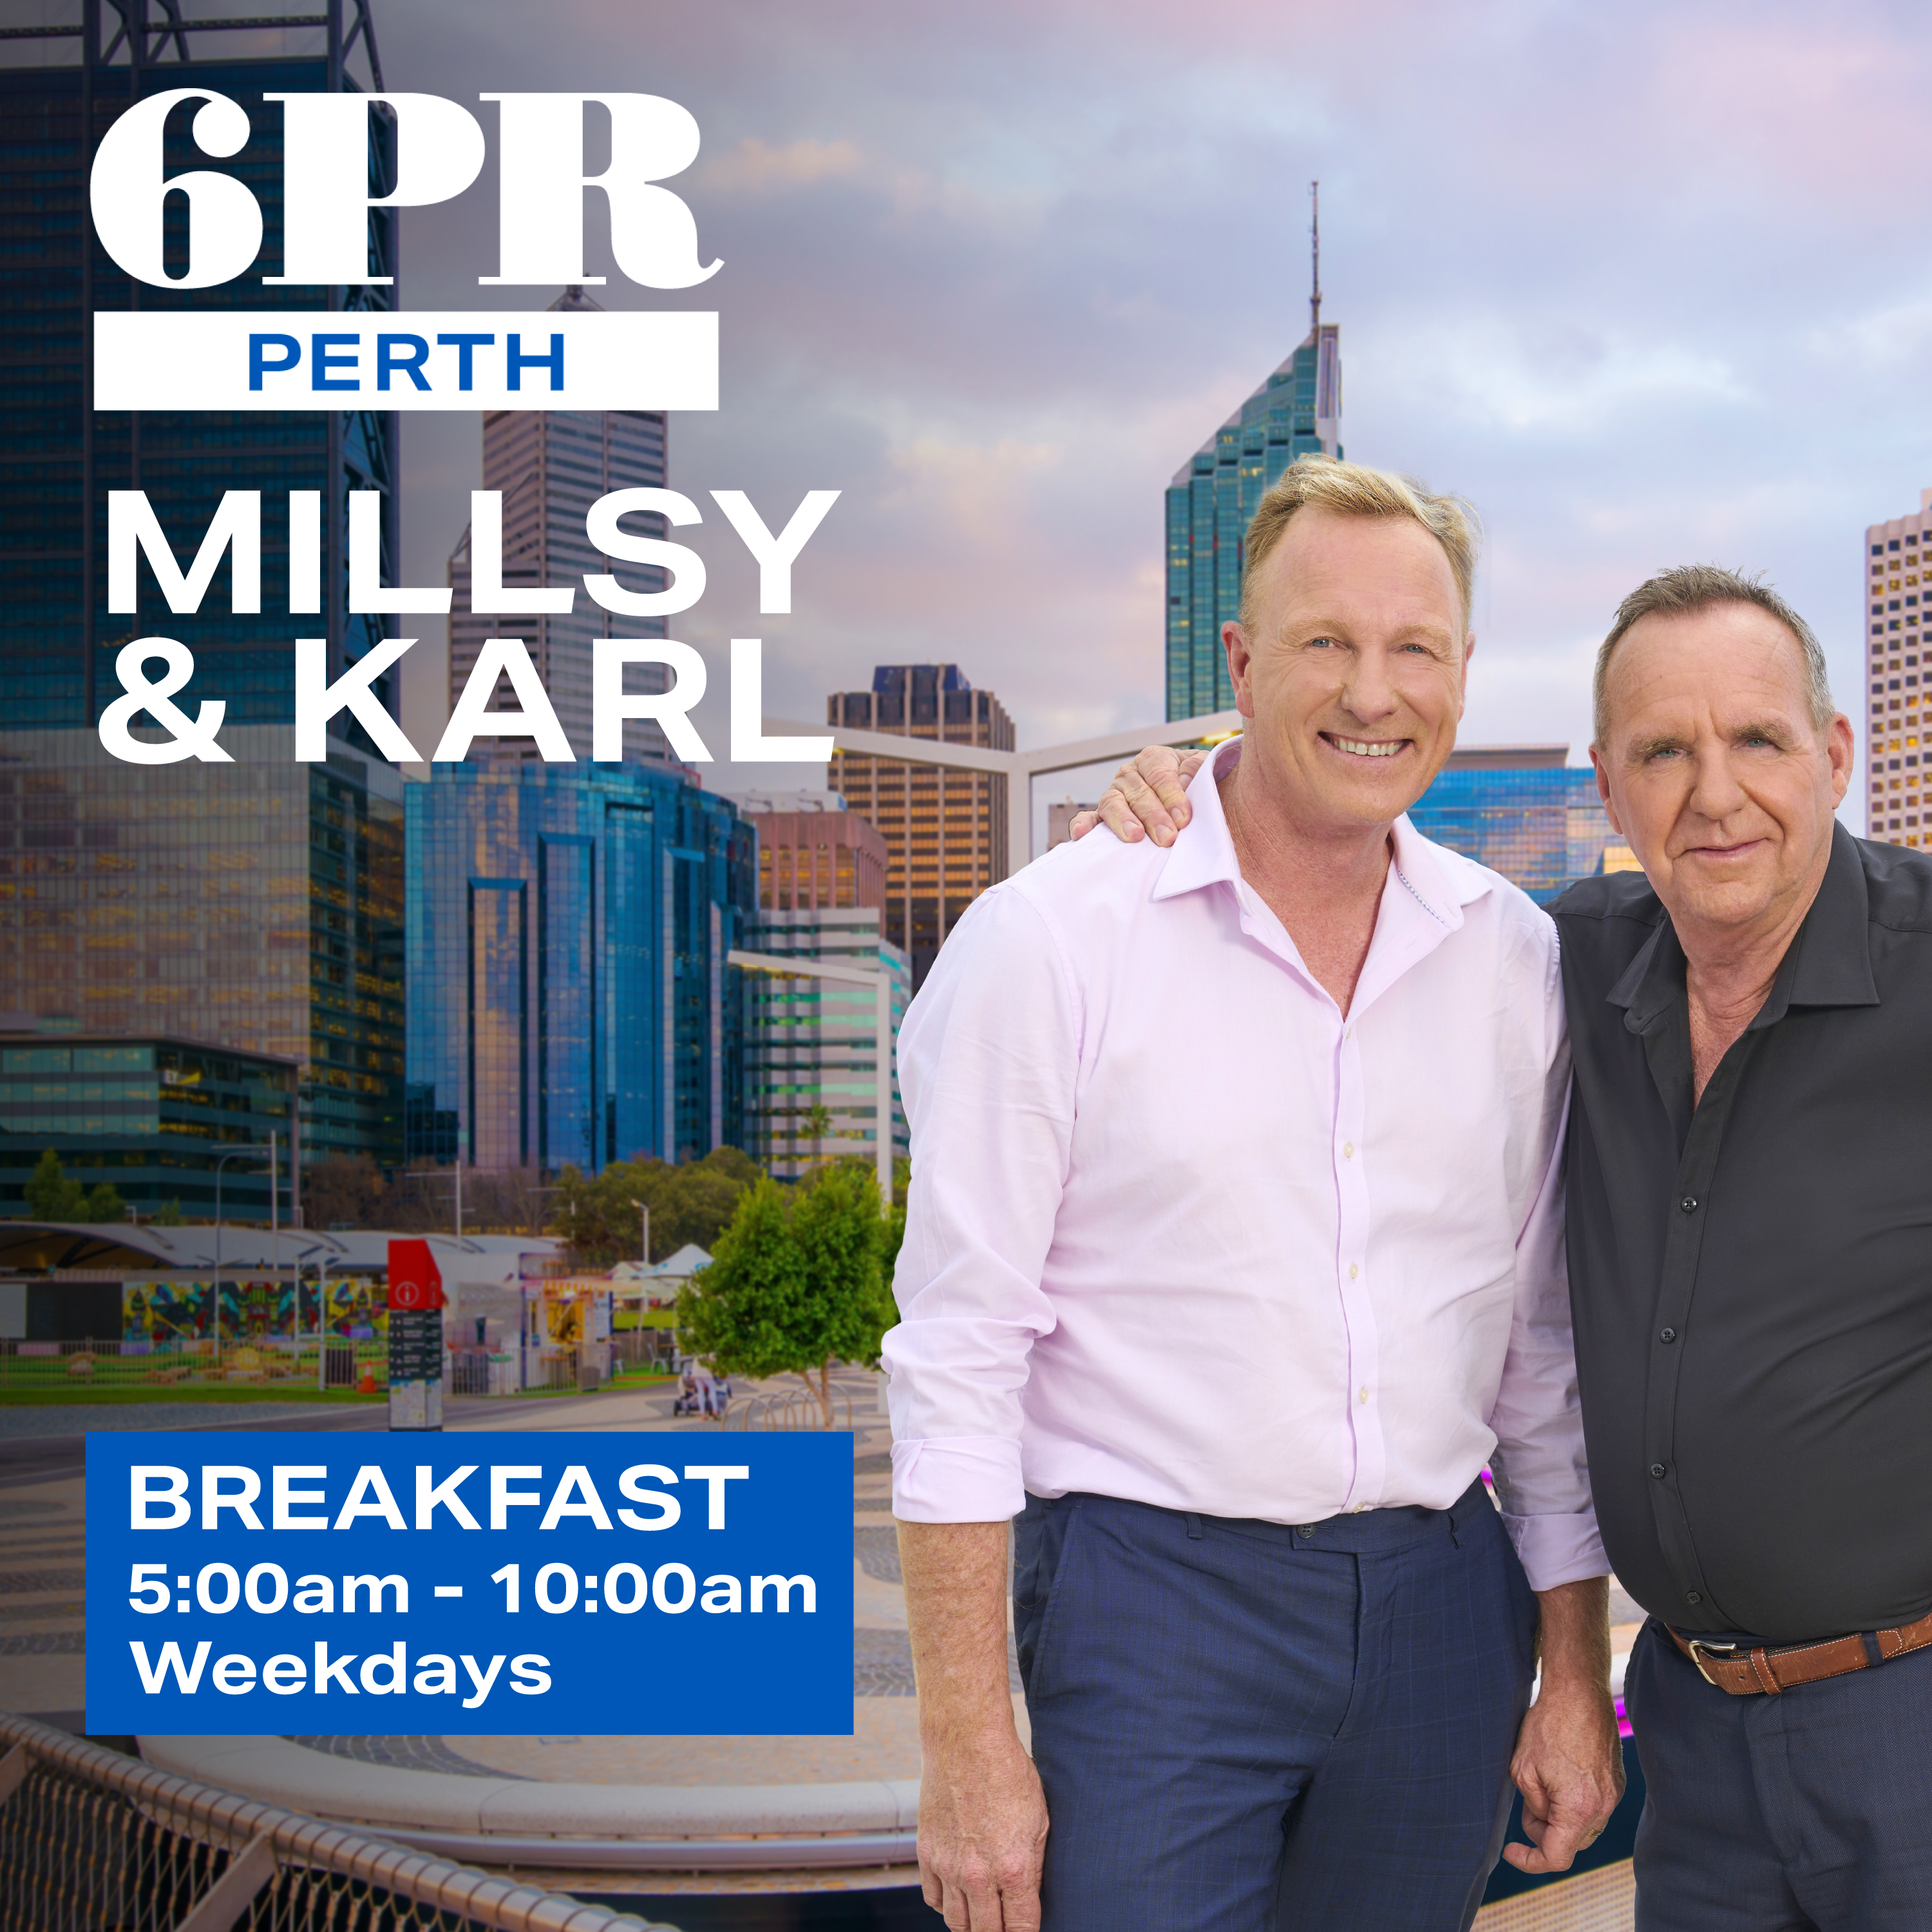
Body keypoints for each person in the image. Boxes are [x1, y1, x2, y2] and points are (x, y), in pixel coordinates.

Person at [1085, 563, 1932, 1929]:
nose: (1714, 793)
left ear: (1834, 756)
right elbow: (1341, 877)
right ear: (1609, 787)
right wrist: (1195, 791)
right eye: (1665, 751)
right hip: (1697, 1738)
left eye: (1758, 740)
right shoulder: (1561, 965)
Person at [885, 455, 1622, 1932]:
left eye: (1415, 648)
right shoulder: (1053, 942)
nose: (1373, 691)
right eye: (1325, 643)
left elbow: (1539, 1359)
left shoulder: (1515, 961)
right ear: (1239, 662)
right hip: (1152, 1608)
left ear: (1463, 674)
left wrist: (1573, 1681)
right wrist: (967, 1746)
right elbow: (957, 1359)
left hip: (1439, 1613)